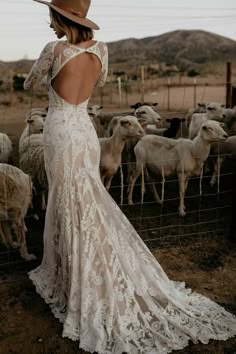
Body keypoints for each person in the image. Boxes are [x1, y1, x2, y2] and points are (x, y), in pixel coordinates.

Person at [24, 1, 236, 353]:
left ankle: (75, 276)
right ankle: (81, 268)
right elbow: (100, 80)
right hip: (85, 131)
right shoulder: (102, 51)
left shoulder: (54, 49)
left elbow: (32, 83)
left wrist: (50, 72)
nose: (50, 26)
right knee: (87, 198)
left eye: (51, 19)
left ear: (62, 17)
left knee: (65, 199)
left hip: (60, 130)